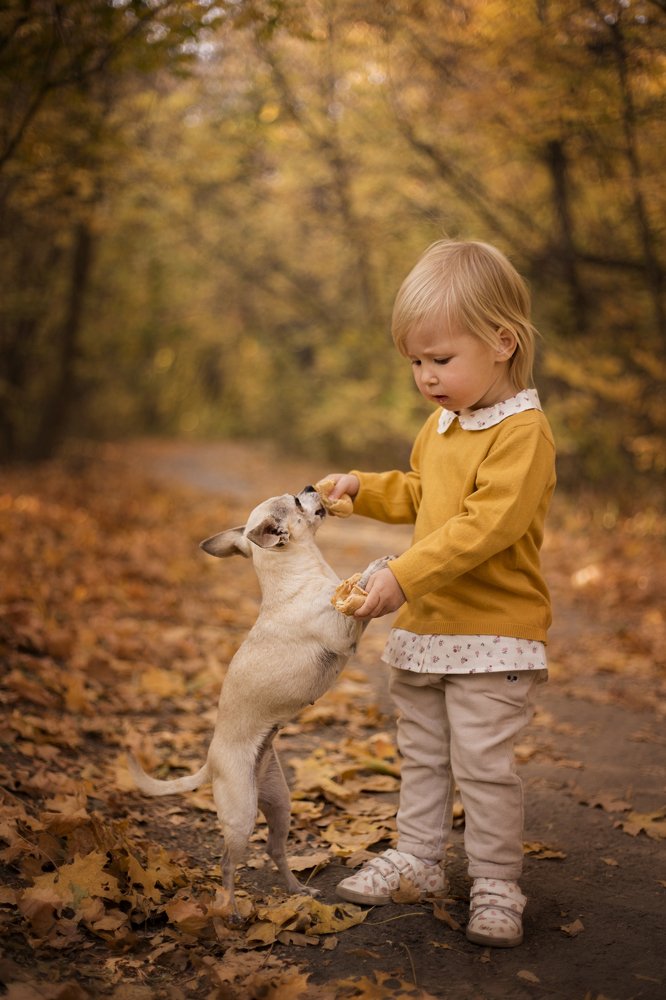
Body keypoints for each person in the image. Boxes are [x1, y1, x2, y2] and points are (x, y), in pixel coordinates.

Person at [325, 239, 556, 948]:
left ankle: (494, 883)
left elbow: (484, 526)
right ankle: (420, 860)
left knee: (482, 767)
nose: (426, 376)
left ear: (502, 342)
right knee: (422, 753)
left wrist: (401, 575)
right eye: (416, 363)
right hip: (429, 630)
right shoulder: (443, 424)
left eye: (440, 360)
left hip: (494, 633)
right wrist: (364, 489)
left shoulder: (523, 433)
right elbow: (427, 494)